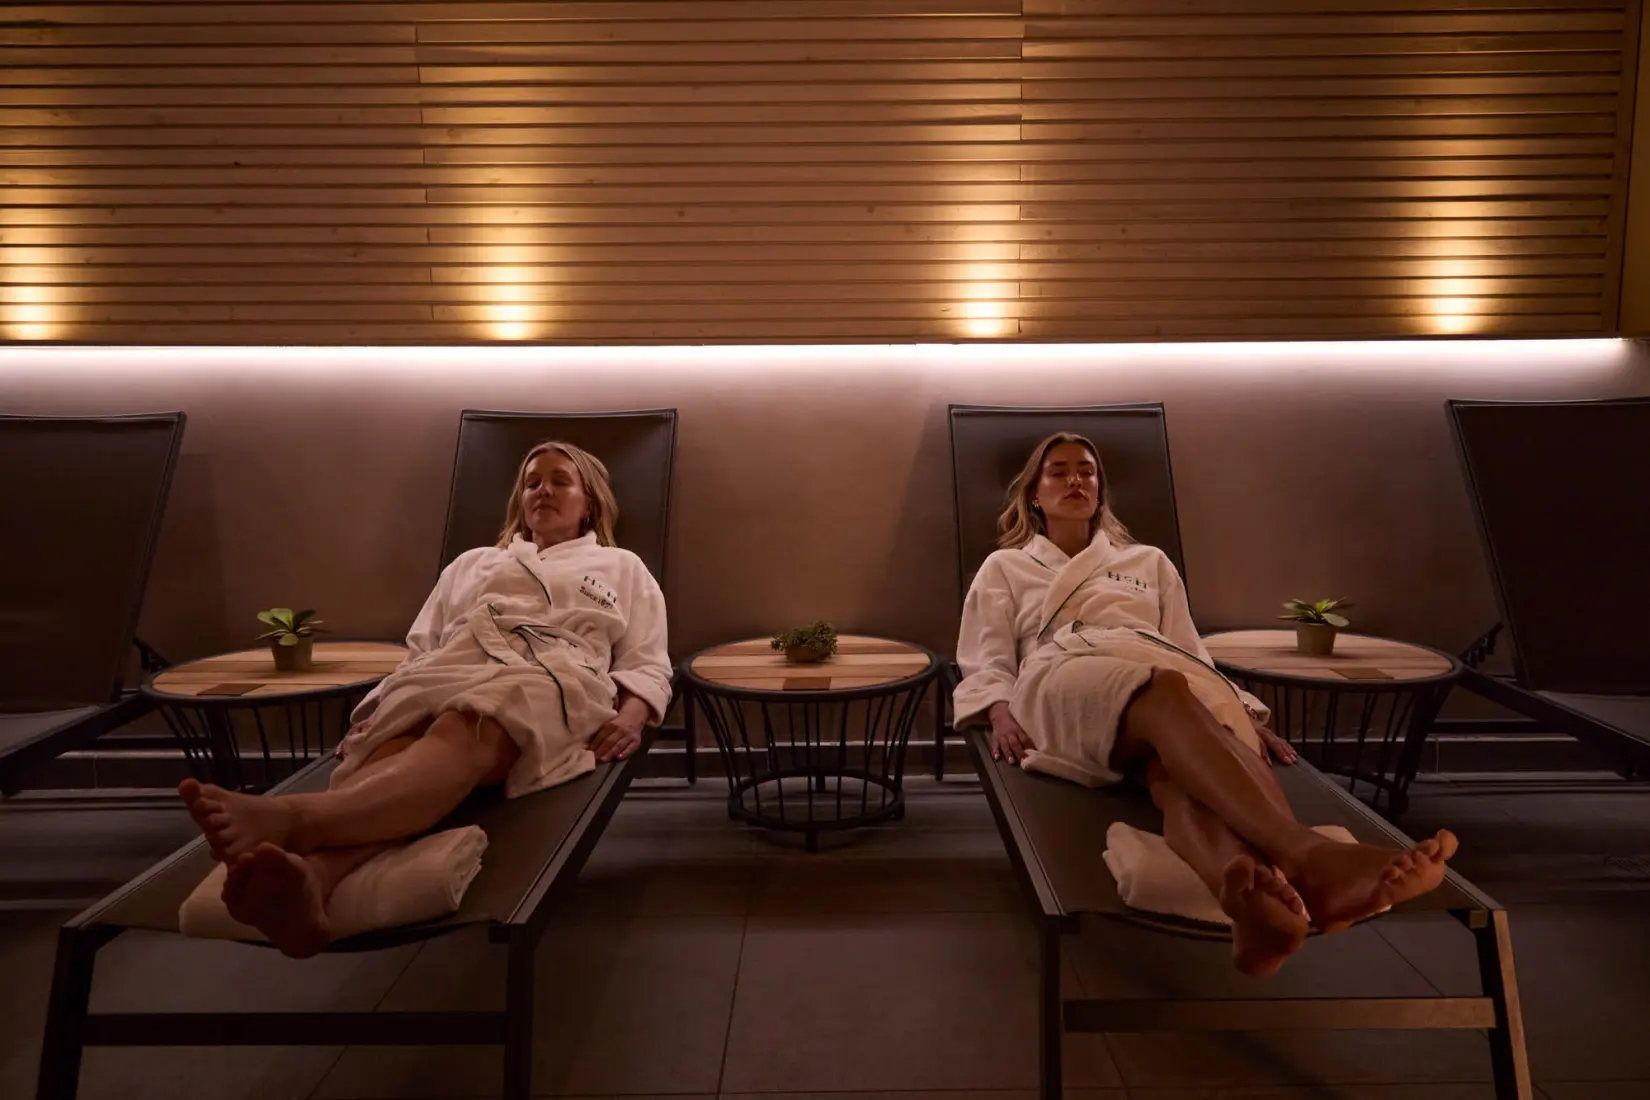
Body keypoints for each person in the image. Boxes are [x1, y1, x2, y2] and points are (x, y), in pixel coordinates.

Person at [954, 431, 1457, 976]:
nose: (1075, 479)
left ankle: (1249, 909)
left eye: (1087, 470)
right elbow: (987, 655)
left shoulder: (1148, 561)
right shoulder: (1005, 567)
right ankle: (1308, 856)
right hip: (1062, 674)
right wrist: (998, 709)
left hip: (1161, 668)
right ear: (1034, 493)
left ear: (1100, 490)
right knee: (1167, 687)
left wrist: (1239, 711)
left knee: (1181, 769)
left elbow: (1189, 648)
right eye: (1058, 471)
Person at [179, 441, 671, 957]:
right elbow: (422, 651)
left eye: (560, 481)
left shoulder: (622, 567)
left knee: (466, 724)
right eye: (532, 483)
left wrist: (632, 715)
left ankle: (294, 819)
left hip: (549, 673)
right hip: (450, 667)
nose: (542, 490)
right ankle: (315, 881)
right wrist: (381, 709)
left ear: (589, 503)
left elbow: (648, 661)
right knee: (397, 747)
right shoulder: (472, 564)